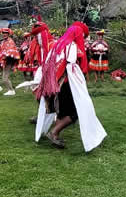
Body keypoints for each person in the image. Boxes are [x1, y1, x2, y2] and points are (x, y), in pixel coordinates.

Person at [35, 22, 106, 151]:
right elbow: (75, 66)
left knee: (62, 112)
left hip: (55, 84)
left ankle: (55, 135)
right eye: (82, 36)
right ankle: (54, 132)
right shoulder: (72, 46)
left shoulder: (57, 45)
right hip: (67, 84)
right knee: (76, 111)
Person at [0, 28, 20, 96]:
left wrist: (12, 64)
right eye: (3, 33)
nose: (4, 34)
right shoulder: (3, 42)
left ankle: (11, 90)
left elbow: (12, 53)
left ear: (8, 34)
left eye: (6, 33)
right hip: (2, 61)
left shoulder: (11, 41)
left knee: (5, 78)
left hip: (8, 62)